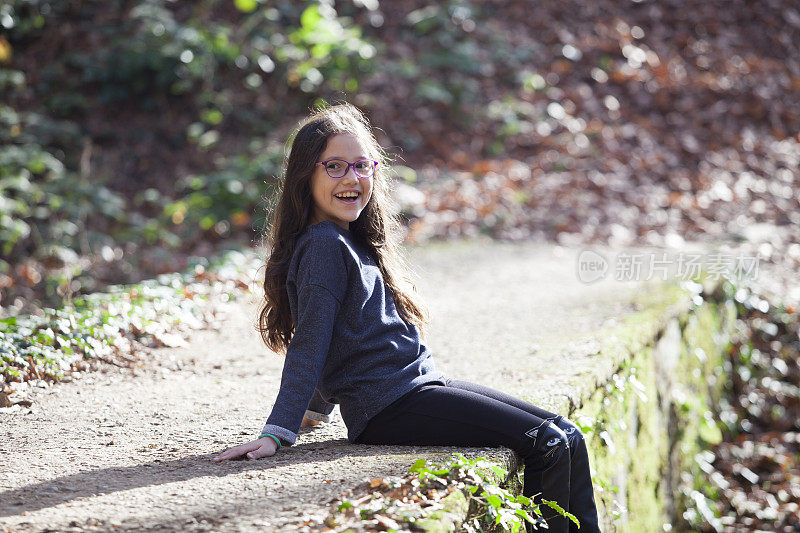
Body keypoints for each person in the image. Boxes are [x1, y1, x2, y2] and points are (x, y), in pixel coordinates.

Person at [211, 103, 601, 532]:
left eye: (361, 166)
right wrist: (278, 430)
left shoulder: (349, 240)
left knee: (567, 436)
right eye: (335, 167)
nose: (352, 179)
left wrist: (314, 409)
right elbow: (312, 339)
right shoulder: (324, 245)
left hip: (417, 387)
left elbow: (343, 335)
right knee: (547, 443)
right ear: (307, 176)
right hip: (390, 406)